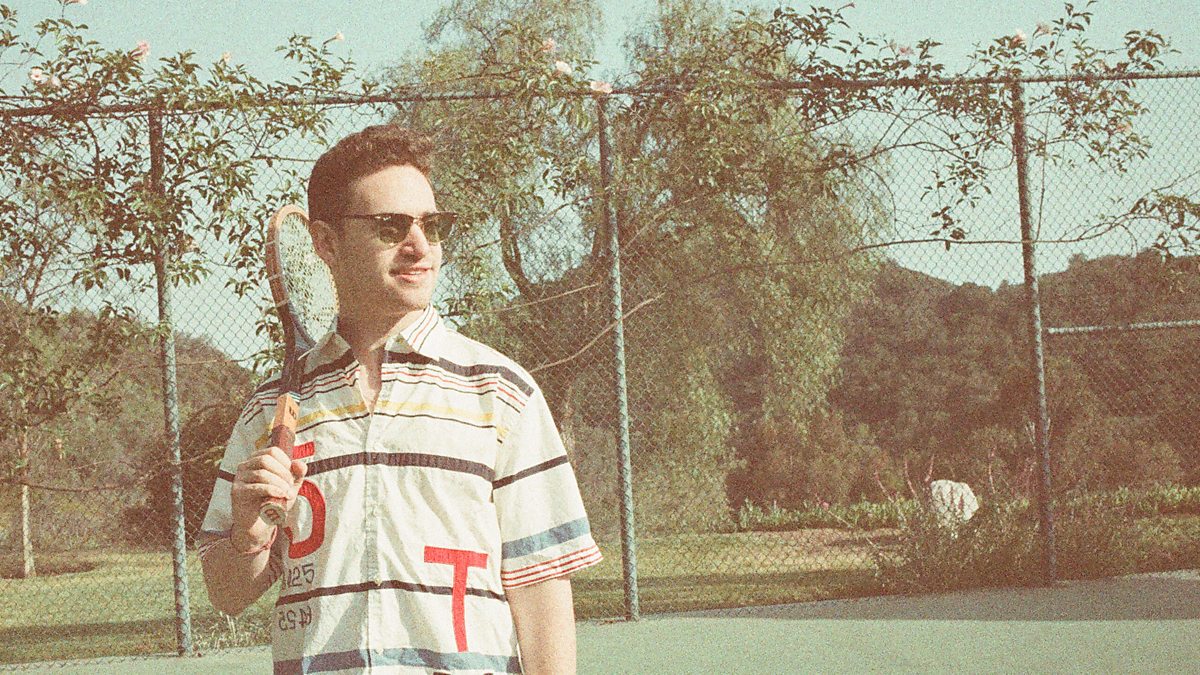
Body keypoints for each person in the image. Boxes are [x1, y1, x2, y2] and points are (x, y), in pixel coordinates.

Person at [197, 124, 602, 675]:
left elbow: (541, 587)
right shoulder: (270, 411)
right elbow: (226, 593)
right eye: (390, 227)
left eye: (432, 226)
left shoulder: (502, 392)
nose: (419, 246)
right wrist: (250, 532)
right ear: (327, 243)